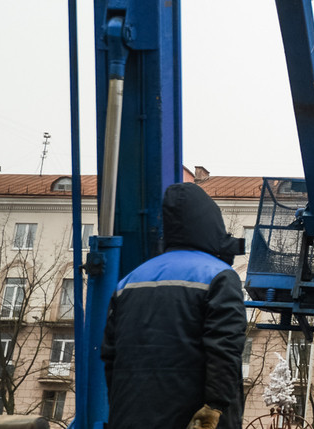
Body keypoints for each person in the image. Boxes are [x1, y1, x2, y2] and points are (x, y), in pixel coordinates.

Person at [102, 182, 246, 429]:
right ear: (212, 225)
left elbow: (110, 355)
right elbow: (224, 349)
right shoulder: (218, 276)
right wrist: (215, 406)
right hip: (190, 418)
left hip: (129, 417)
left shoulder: (131, 279)